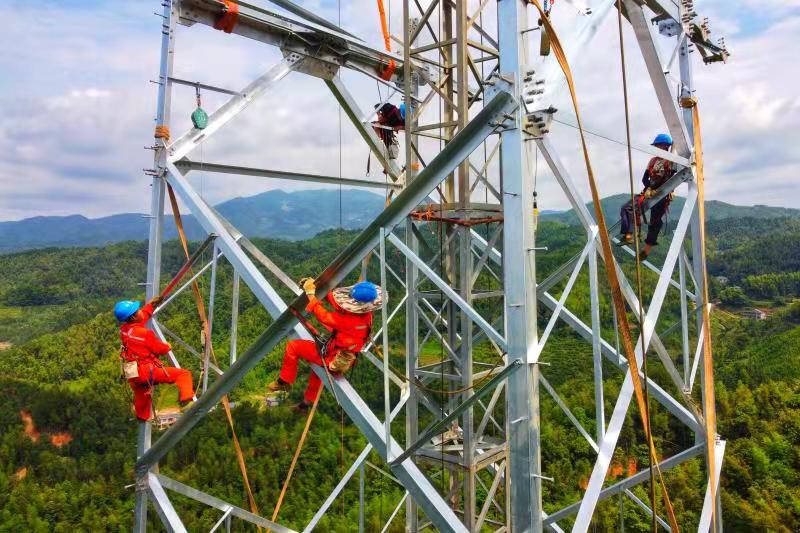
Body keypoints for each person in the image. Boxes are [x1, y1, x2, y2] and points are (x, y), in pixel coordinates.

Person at [267, 280, 384, 414]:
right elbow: (341, 305)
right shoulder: (367, 315)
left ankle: (284, 382)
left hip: (332, 356)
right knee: (318, 373)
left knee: (294, 347)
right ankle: (305, 405)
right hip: (346, 357)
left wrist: (311, 295)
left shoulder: (350, 321)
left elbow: (324, 317)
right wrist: (323, 292)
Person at [115, 297, 195, 421]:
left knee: (141, 393)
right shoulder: (145, 334)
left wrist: (151, 305)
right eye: (138, 311)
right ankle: (186, 400)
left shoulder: (124, 331)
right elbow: (160, 349)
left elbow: (142, 317)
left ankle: (142, 416)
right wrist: (167, 346)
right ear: (134, 317)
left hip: (133, 372)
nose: (141, 311)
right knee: (183, 374)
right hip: (147, 371)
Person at [618, 133, 677, 260]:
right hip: (649, 191)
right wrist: (649, 188)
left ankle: (646, 250)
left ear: (664, 146)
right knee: (627, 207)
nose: (656, 148)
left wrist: (661, 189)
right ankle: (628, 235)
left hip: (662, 194)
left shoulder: (671, 161)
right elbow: (645, 178)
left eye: (657, 145)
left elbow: (671, 178)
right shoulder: (653, 161)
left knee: (655, 221)